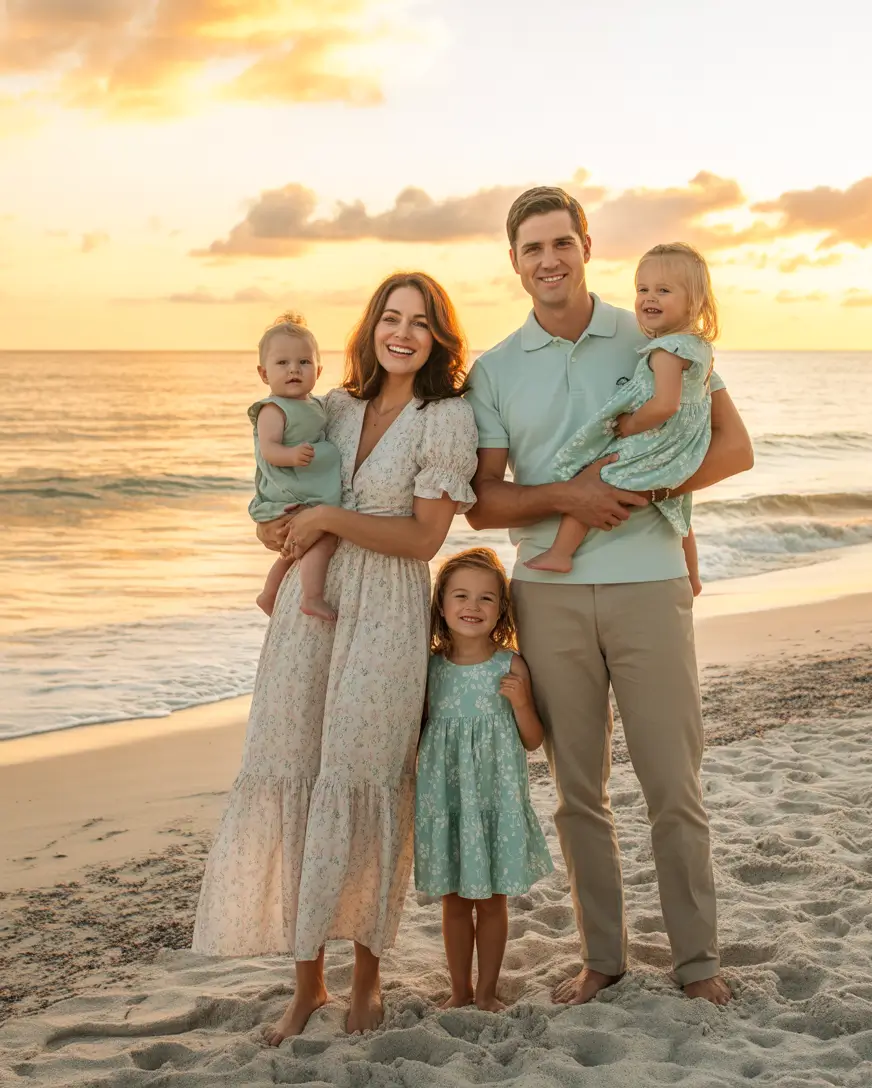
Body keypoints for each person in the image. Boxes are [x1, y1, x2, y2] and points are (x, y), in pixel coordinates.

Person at [466, 187, 754, 1007]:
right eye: (532, 249)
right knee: (577, 793)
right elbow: (484, 501)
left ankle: (697, 961)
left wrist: (645, 493)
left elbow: (733, 448)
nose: (549, 260)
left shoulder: (658, 332)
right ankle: (603, 956)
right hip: (549, 595)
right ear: (515, 261)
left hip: (649, 584)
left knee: (674, 784)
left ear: (586, 244)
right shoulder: (492, 370)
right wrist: (572, 498)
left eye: (562, 242)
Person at [192, 272, 480, 1041]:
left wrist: (328, 517)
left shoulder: (446, 417)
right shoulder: (335, 406)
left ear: (438, 337)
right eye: (391, 316)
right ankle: (306, 985)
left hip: (386, 608)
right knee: (296, 770)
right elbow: (278, 492)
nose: (403, 332)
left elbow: (424, 538)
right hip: (308, 612)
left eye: (420, 322)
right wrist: (281, 530)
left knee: (363, 778)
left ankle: (366, 984)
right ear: (371, 325)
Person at [525, 242, 720, 599]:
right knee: (679, 507)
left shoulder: (666, 350)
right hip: (683, 446)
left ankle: (561, 553)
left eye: (663, 290)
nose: (649, 298)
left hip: (659, 437)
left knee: (597, 480)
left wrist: (630, 425)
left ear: (693, 302)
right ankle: (691, 575)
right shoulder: (698, 346)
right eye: (642, 290)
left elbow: (664, 405)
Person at [415, 547, 553, 1011]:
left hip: (496, 802)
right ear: (441, 604)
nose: (472, 607)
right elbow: (416, 737)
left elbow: (533, 741)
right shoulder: (428, 668)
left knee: (493, 900)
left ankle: (488, 991)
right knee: (454, 901)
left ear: (501, 609)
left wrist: (520, 704)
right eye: (461, 596)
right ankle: (460, 991)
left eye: (486, 599)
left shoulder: (510, 666)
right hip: (449, 804)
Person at [249, 313, 342, 619]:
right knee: (321, 538)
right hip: (288, 492)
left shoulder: (316, 404)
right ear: (264, 374)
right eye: (282, 363)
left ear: (318, 369)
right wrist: (290, 456)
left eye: (304, 362)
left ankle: (269, 594)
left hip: (305, 488)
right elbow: (268, 449)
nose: (294, 369)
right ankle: (311, 596)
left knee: (298, 547)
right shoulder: (273, 409)